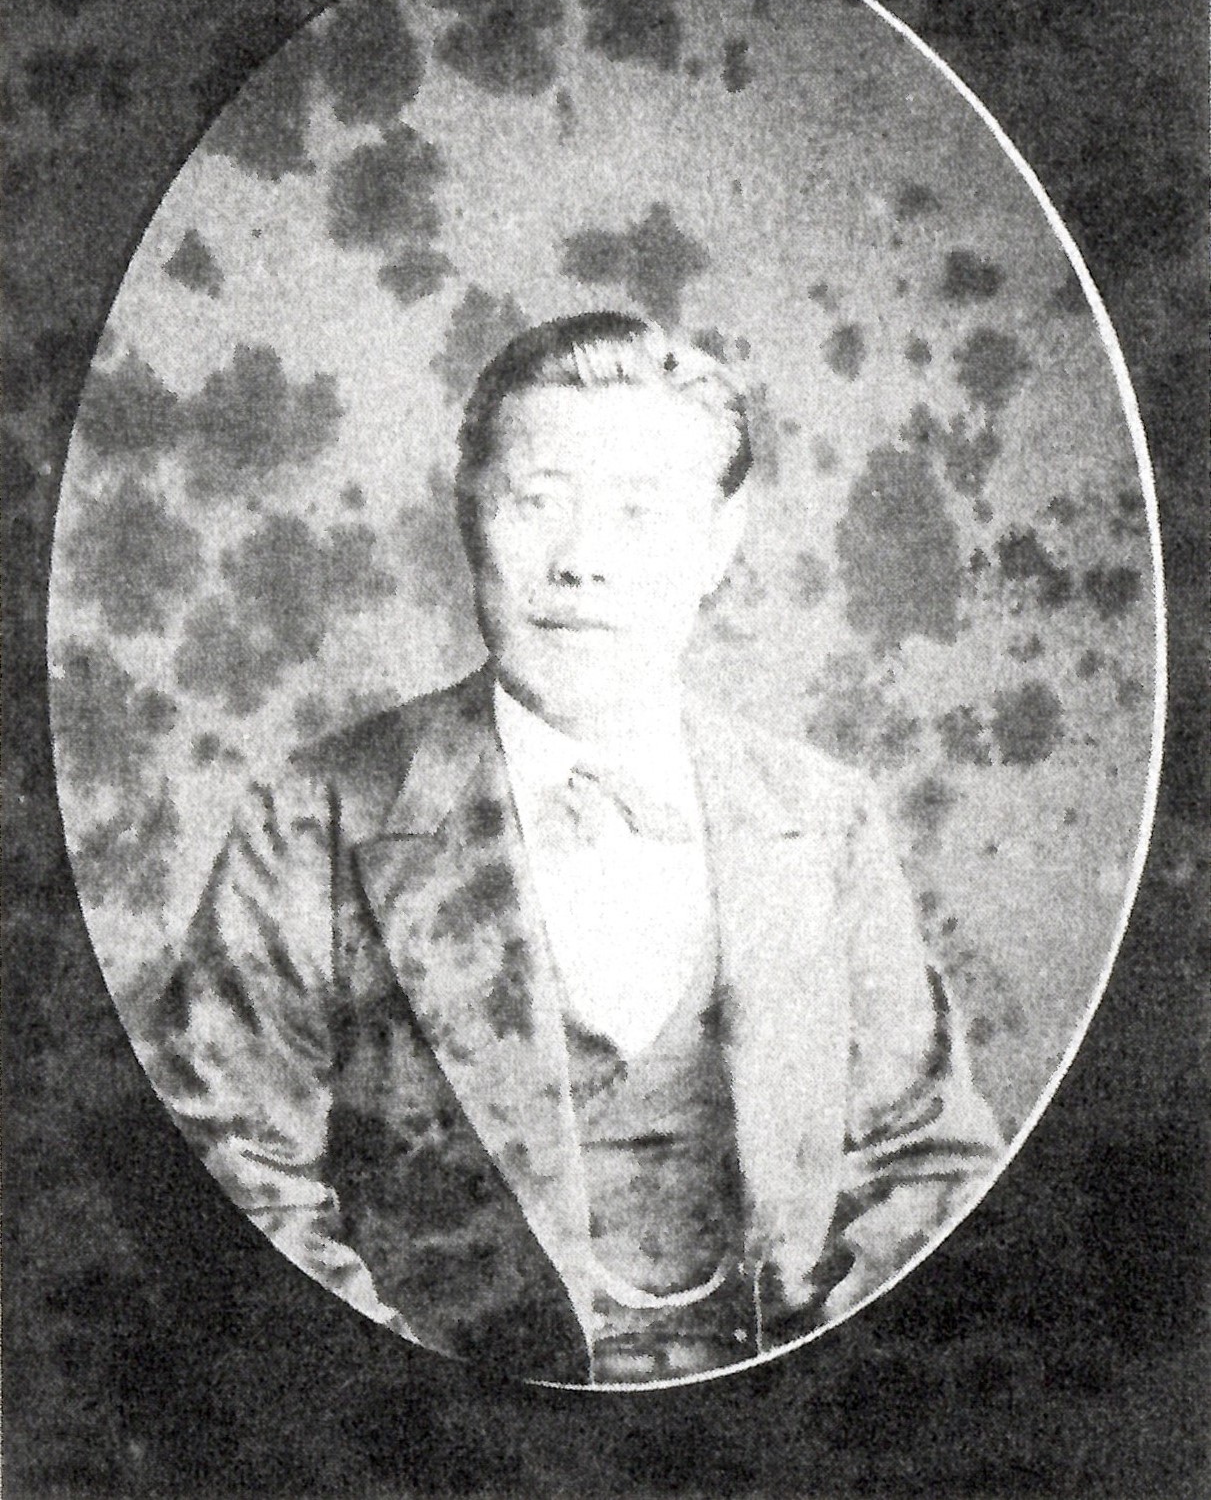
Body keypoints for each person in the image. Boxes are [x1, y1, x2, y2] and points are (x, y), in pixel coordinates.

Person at [146, 312, 1002, 1385]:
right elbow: (233, 1182)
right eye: (536, 502)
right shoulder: (310, 819)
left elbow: (928, 1173)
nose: (581, 563)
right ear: (469, 517)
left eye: (638, 511)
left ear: (716, 542)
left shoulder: (821, 821)